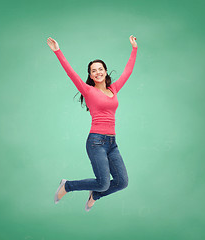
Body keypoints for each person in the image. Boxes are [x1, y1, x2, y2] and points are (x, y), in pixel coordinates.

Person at [47, 35, 138, 212]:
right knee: (103, 183)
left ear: (105, 71)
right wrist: (58, 51)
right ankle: (68, 186)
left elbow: (128, 72)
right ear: (90, 75)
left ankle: (94, 195)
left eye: (100, 69)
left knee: (122, 182)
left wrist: (134, 48)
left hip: (112, 143)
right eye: (93, 70)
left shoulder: (114, 89)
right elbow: (70, 72)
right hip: (96, 142)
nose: (97, 72)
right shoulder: (88, 91)